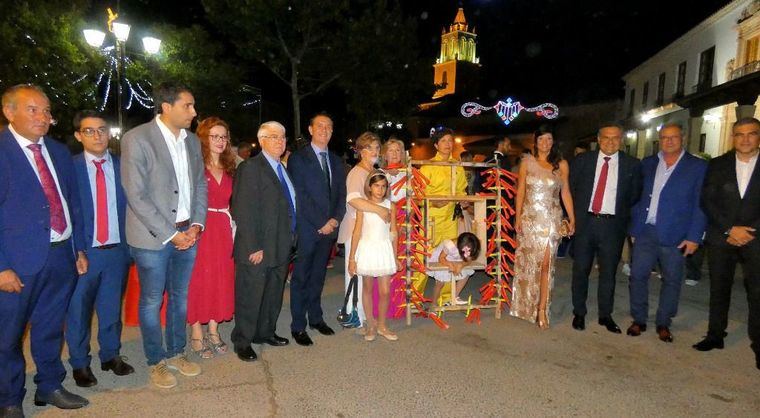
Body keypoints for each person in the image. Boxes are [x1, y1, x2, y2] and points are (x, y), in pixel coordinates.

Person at [0, 84, 89, 415]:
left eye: (46, 110)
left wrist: (77, 247)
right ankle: (9, 399)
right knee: (7, 337)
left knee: (51, 326)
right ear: (9, 112)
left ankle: (49, 385)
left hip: (60, 253)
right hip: (16, 262)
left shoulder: (58, 151)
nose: (43, 116)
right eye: (32, 109)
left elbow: (72, 203)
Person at [120, 82, 207, 389]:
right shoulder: (137, 139)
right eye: (188, 106)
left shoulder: (192, 141)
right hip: (152, 237)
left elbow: (199, 185)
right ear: (166, 106)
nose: (194, 112)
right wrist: (172, 235)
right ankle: (155, 361)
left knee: (180, 297)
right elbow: (136, 194)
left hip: (189, 230)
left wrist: (197, 223)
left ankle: (176, 351)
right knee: (152, 300)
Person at [66, 111, 134, 389]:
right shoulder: (69, 169)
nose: (97, 135)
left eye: (102, 130)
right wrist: (75, 249)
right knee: (78, 311)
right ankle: (80, 363)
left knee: (110, 308)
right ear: (78, 135)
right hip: (85, 252)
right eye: (89, 131)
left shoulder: (123, 166)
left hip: (117, 251)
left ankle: (110, 355)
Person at [626, 123, 707, 342]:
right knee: (637, 276)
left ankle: (663, 321)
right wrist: (635, 228)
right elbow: (637, 196)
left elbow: (701, 204)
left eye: (673, 137)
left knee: (672, 280)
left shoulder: (697, 167)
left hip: (677, 234)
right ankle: (639, 318)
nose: (668, 141)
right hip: (646, 231)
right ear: (659, 140)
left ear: (683, 138)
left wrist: (694, 236)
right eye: (664, 138)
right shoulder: (649, 163)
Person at [693, 117, 760, 371]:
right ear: (733, 137)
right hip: (723, 236)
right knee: (719, 288)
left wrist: (748, 231)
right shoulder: (719, 164)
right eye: (739, 134)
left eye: (751, 134)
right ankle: (715, 335)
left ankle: (759, 344)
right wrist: (730, 228)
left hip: (756, 238)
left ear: (758, 137)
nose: (745, 139)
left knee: (757, 293)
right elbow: (707, 200)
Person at [231, 121, 296, 362]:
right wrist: (252, 246)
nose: (280, 141)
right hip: (258, 247)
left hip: (280, 244)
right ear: (261, 140)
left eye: (283, 137)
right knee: (251, 295)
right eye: (274, 137)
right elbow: (243, 209)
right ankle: (243, 340)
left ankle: (265, 332)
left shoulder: (282, 168)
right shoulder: (251, 168)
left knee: (272, 294)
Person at [570, 122, 641, 333]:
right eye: (606, 138)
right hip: (586, 223)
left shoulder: (632, 165)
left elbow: (634, 196)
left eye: (615, 138)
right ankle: (579, 313)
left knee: (609, 273)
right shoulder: (582, 161)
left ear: (621, 140)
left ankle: (605, 315)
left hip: (612, 227)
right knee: (580, 270)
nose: (610, 142)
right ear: (598, 140)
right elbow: (571, 190)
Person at [287, 113, 346, 346]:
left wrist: (335, 219)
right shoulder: (298, 159)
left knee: (318, 277)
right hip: (309, 228)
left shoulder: (336, 160)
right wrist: (321, 221)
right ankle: (298, 325)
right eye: (320, 126)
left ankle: (316, 318)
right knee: (301, 278)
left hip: (329, 229)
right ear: (310, 129)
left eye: (329, 127)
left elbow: (340, 194)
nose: (324, 130)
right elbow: (299, 195)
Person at [510, 126, 575, 329]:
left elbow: (565, 192)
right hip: (530, 220)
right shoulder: (526, 163)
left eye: (549, 139)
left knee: (546, 265)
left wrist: (572, 218)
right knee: (529, 265)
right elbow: (520, 190)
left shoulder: (561, 164)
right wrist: (518, 217)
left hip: (550, 221)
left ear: (553, 141)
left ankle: (541, 309)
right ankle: (524, 306)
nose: (545, 143)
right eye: (541, 139)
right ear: (535, 141)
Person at [186, 117, 236, 359]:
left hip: (223, 229)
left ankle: (214, 330)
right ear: (204, 138)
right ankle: (196, 331)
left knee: (221, 278)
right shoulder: (194, 165)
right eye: (214, 136)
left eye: (223, 136)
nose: (220, 141)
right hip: (201, 228)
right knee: (199, 280)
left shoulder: (230, 167)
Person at [337, 132, 388, 328]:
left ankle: (364, 314)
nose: (374, 151)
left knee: (364, 273)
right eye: (369, 148)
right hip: (355, 230)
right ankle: (352, 314)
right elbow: (354, 200)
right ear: (360, 152)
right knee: (354, 272)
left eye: (376, 147)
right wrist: (379, 209)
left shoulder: (374, 172)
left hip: (371, 232)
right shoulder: (356, 173)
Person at [348, 170, 401, 341]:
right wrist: (351, 258)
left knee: (385, 291)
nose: (380, 189)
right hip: (368, 249)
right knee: (368, 288)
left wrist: (395, 256)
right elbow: (357, 232)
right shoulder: (364, 206)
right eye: (376, 186)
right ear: (370, 187)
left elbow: (394, 232)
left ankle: (382, 324)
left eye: (383, 186)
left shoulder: (390, 206)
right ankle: (370, 324)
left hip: (384, 249)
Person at [417, 128, 467, 299]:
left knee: (450, 255)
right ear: (436, 145)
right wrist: (432, 201)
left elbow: (462, 190)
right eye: (443, 141)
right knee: (422, 255)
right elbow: (418, 195)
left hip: (450, 219)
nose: (448, 144)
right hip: (430, 218)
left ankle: (446, 297)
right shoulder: (427, 166)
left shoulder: (457, 166)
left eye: (450, 140)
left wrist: (465, 200)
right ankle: (415, 297)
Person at [380, 137, 407, 319]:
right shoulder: (379, 173)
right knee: (386, 259)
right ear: (385, 153)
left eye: (398, 150)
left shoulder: (409, 173)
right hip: (386, 219)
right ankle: (384, 304)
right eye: (391, 150)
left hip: (405, 219)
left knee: (403, 261)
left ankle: (401, 303)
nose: (395, 153)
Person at [429, 232, 481, 306]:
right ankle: (433, 303)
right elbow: (441, 258)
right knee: (440, 282)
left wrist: (461, 264)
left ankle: (454, 297)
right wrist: (450, 264)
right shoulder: (450, 245)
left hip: (456, 260)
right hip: (443, 260)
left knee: (466, 274)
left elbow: (469, 260)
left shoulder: (467, 248)